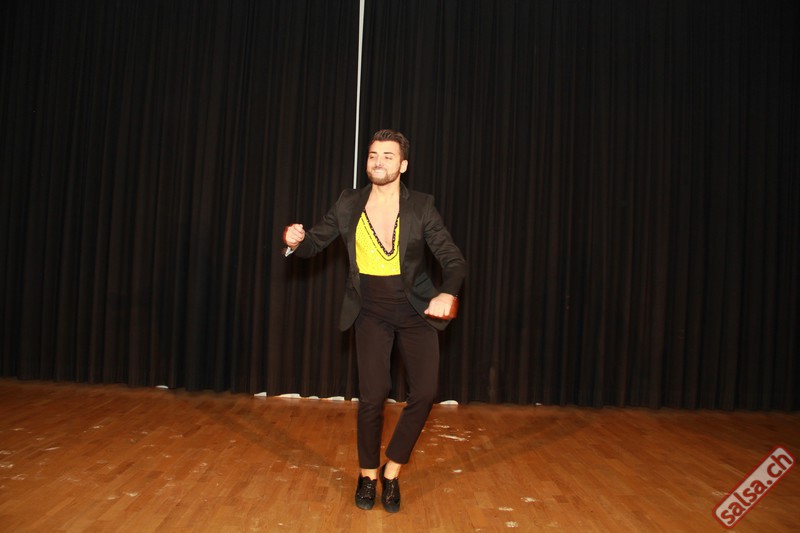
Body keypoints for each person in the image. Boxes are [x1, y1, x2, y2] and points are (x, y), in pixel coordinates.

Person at [282, 129, 466, 513]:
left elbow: (453, 259)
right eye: (372, 155)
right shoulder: (348, 202)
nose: (378, 162)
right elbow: (315, 243)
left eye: (387, 156)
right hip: (369, 311)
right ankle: (367, 475)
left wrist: (447, 291)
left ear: (403, 165)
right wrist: (296, 241)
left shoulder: (422, 206)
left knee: (425, 392)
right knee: (373, 395)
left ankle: (391, 471)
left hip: (415, 309)